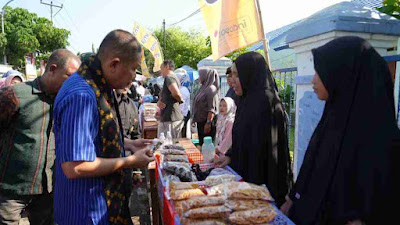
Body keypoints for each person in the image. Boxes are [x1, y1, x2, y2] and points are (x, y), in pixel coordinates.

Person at [279, 36, 397, 225]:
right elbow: (312, 169)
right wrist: (292, 200)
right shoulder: (332, 118)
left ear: (342, 74)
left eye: (320, 72)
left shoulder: (380, 141)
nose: (313, 80)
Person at [53, 30, 155, 225]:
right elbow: (75, 166)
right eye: (133, 69)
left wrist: (129, 143)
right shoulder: (81, 96)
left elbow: (92, 137)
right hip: (85, 212)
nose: (134, 77)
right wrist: (129, 161)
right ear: (114, 64)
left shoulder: (97, 84)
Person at [0, 49, 81, 224]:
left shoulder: (65, 102)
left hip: (47, 192)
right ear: (52, 69)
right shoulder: (15, 95)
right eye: (69, 77)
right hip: (10, 193)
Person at [214, 52, 293, 207]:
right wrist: (230, 156)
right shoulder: (246, 99)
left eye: (237, 74)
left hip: (262, 186)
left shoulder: (266, 101)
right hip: (245, 181)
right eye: (232, 75)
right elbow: (243, 137)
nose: (233, 80)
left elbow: (267, 153)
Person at [157, 59, 184, 139]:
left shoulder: (169, 77)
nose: (160, 71)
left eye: (161, 68)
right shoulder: (172, 77)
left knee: (168, 145)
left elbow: (176, 93)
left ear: (167, 67)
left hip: (171, 118)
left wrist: (180, 100)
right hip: (170, 118)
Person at [192, 68, 220, 146]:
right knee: (202, 144)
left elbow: (212, 109)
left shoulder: (211, 89)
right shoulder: (203, 88)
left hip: (207, 122)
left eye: (200, 75)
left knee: (207, 145)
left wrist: (208, 123)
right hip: (201, 122)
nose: (199, 78)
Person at [175, 69, 191, 138]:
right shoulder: (182, 88)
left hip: (182, 116)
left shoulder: (182, 90)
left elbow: (181, 106)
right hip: (182, 115)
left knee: (182, 136)